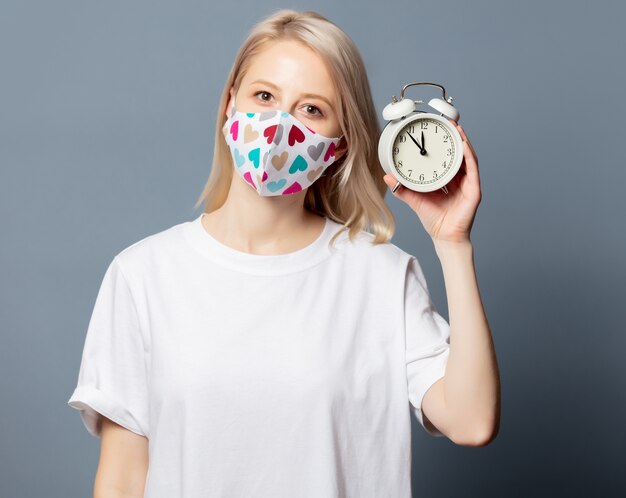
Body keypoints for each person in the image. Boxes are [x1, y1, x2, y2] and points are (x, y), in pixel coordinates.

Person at [67, 8, 500, 498]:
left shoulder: (381, 276)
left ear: (338, 145)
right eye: (265, 96)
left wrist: (453, 243)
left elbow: (471, 422)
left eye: (311, 109)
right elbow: (123, 480)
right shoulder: (142, 275)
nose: (278, 126)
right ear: (231, 103)